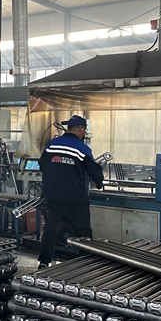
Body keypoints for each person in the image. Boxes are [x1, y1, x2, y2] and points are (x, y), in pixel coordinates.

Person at [37, 115, 104, 269]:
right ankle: (86, 263)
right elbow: (95, 171)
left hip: (53, 197)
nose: (84, 133)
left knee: (50, 229)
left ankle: (44, 262)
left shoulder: (51, 145)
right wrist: (99, 183)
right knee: (83, 232)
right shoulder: (82, 148)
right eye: (84, 130)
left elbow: (42, 165)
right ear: (79, 129)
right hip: (75, 199)